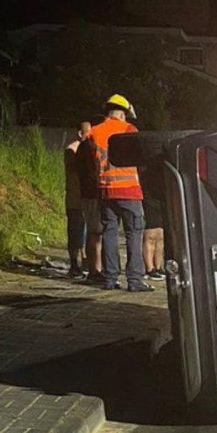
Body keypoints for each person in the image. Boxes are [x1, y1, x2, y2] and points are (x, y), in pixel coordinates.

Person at [87, 94, 154, 292]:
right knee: (134, 233)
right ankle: (134, 280)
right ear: (123, 114)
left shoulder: (95, 131)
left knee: (109, 233)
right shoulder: (129, 130)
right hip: (129, 191)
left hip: (106, 190)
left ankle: (110, 278)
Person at [75, 121, 104, 281]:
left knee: (96, 233)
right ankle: (95, 270)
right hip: (93, 193)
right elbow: (93, 171)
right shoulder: (88, 147)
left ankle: (96, 269)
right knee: (96, 233)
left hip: (89, 193)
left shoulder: (83, 147)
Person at [64, 122, 91, 277]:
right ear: (81, 133)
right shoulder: (72, 150)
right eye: (87, 132)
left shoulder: (86, 150)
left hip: (86, 199)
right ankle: (75, 264)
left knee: (86, 232)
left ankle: (86, 262)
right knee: (75, 232)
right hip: (75, 199)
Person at [141, 163, 166, 281]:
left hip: (160, 199)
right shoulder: (144, 168)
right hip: (148, 198)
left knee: (160, 236)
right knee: (151, 235)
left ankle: (158, 266)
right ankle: (150, 268)